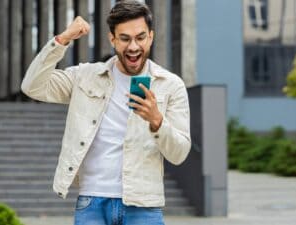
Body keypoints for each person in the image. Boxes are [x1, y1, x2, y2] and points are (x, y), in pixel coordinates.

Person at [21, 1, 191, 224]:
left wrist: (157, 121)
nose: (133, 47)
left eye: (140, 37)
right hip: (92, 202)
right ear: (112, 39)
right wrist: (62, 40)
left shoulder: (171, 85)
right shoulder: (84, 76)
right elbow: (32, 86)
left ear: (150, 36)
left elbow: (179, 153)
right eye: (124, 38)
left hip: (143, 205)